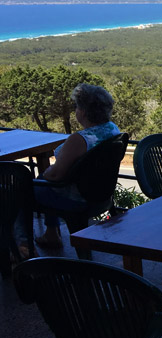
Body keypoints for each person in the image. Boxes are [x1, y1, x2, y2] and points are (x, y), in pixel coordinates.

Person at [33, 83, 120, 248]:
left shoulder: (80, 139)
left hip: (77, 199)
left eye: (77, 107)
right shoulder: (113, 130)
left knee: (20, 189)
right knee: (43, 182)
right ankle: (51, 233)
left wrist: (46, 173)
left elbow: (55, 176)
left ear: (83, 112)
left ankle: (21, 246)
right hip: (102, 196)